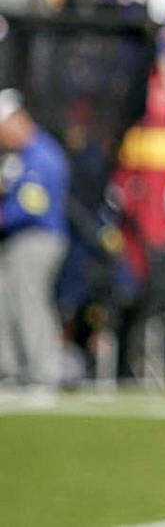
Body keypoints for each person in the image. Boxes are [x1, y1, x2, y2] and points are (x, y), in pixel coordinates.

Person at [0, 89, 70, 394]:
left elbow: (32, 206)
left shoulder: (42, 155)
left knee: (30, 301)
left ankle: (43, 371)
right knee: (7, 302)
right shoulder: (18, 158)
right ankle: (12, 369)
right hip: (17, 240)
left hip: (37, 238)